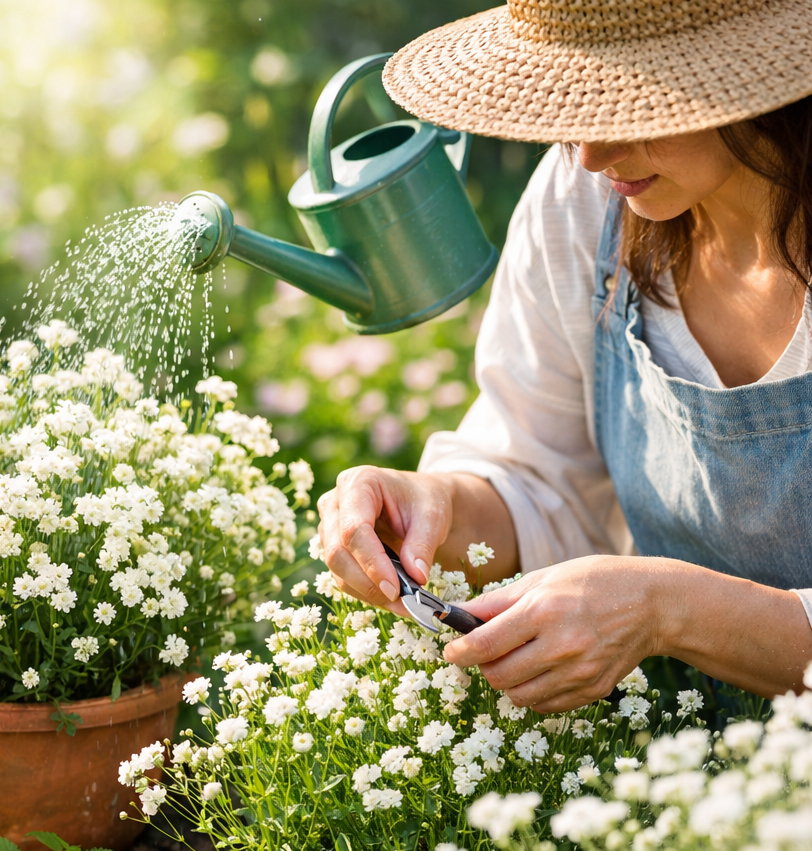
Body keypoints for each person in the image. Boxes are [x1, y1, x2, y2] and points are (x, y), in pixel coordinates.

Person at [316, 0, 812, 717]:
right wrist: (438, 508)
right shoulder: (588, 201)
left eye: (631, 102)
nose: (589, 155)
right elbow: (540, 477)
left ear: (759, 73)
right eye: (576, 102)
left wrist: (669, 609)